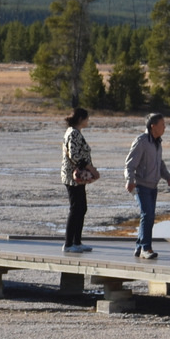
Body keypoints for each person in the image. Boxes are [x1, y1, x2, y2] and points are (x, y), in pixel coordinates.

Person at [124, 113, 170, 260]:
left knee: (148, 217)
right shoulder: (141, 141)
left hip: (153, 186)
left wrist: (167, 177)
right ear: (153, 126)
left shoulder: (157, 142)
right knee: (148, 215)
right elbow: (130, 163)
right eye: (162, 124)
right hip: (140, 185)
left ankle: (139, 246)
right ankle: (146, 248)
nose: (164, 127)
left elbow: (160, 163)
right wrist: (129, 179)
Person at [61, 107, 98, 253]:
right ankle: (68, 244)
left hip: (77, 177)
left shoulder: (75, 132)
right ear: (81, 119)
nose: (88, 121)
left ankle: (77, 241)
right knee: (76, 208)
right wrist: (91, 169)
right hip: (73, 176)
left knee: (82, 208)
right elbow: (75, 155)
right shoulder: (73, 133)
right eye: (87, 118)